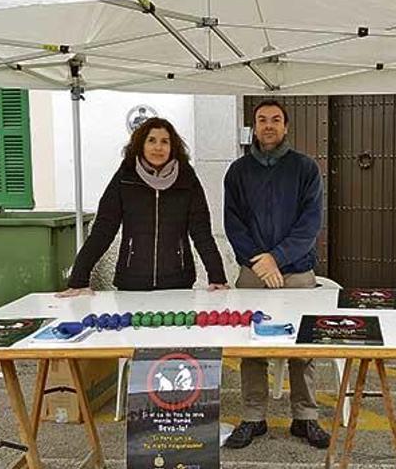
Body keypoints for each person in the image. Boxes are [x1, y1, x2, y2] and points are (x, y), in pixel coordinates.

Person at [222, 99, 329, 449]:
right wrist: (259, 260)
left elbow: (309, 224)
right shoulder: (237, 172)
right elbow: (233, 224)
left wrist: (277, 259)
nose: (268, 125)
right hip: (253, 273)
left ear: (286, 127)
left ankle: (305, 417)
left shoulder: (305, 169)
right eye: (262, 119)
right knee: (250, 346)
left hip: (296, 272)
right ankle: (253, 416)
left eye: (276, 120)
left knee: (303, 345)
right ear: (254, 126)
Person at [57, 117, 228, 296]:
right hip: (131, 281)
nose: (158, 147)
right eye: (151, 140)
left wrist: (217, 277)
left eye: (165, 142)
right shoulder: (125, 177)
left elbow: (201, 233)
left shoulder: (187, 180)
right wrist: (78, 280)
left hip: (178, 282)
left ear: (173, 147)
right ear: (141, 144)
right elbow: (103, 230)